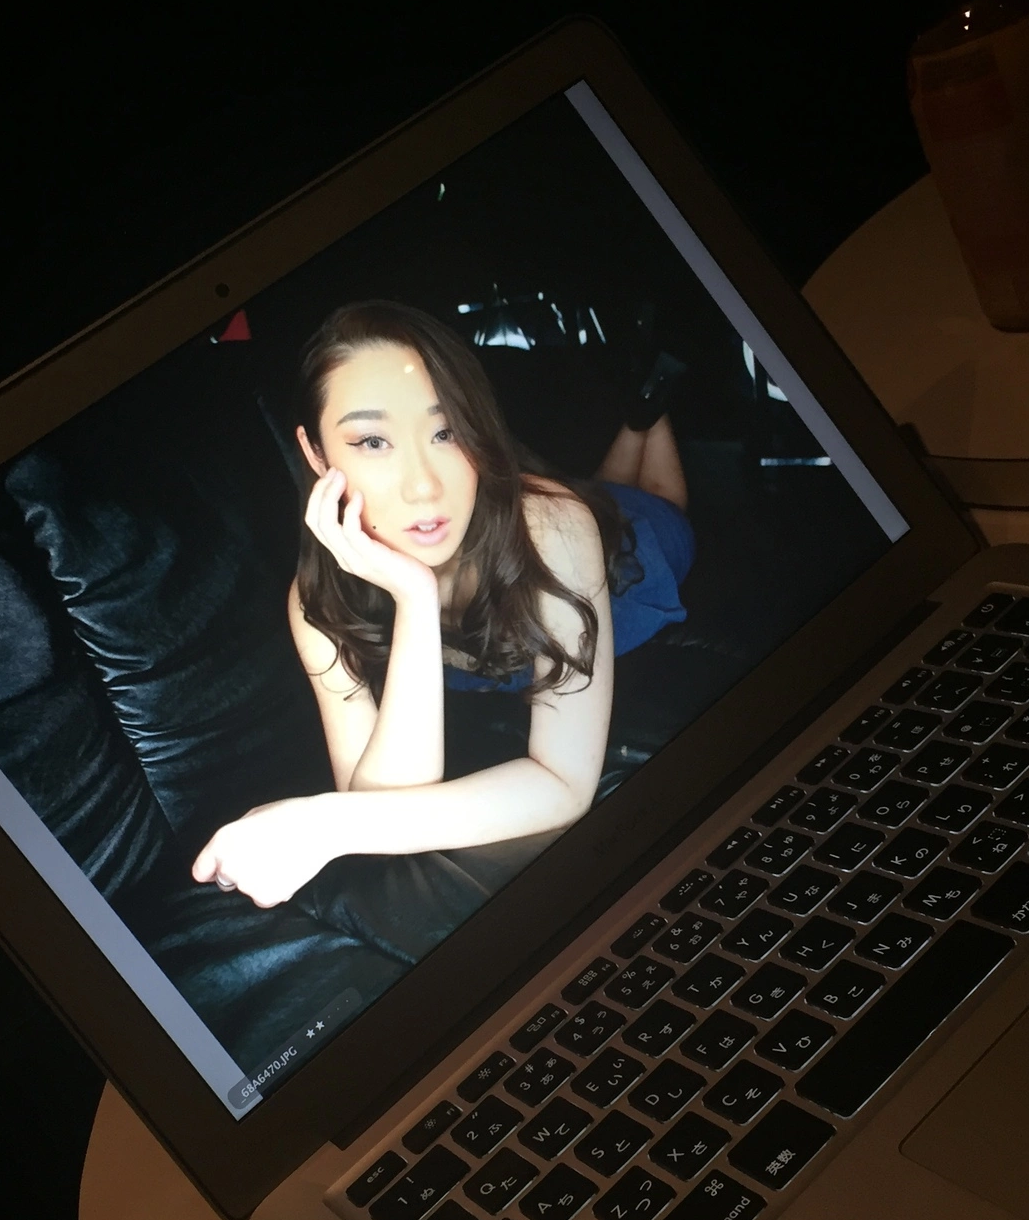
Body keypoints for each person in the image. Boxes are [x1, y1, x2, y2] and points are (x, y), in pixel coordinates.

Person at [192, 300, 692, 907]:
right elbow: (381, 807)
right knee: (603, 490)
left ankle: (649, 410)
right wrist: (414, 596)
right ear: (317, 455)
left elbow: (565, 784)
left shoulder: (556, 526)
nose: (424, 486)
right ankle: (641, 410)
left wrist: (321, 823)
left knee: (653, 502)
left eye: (445, 431)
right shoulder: (316, 601)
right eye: (373, 441)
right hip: (567, 520)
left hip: (625, 565)